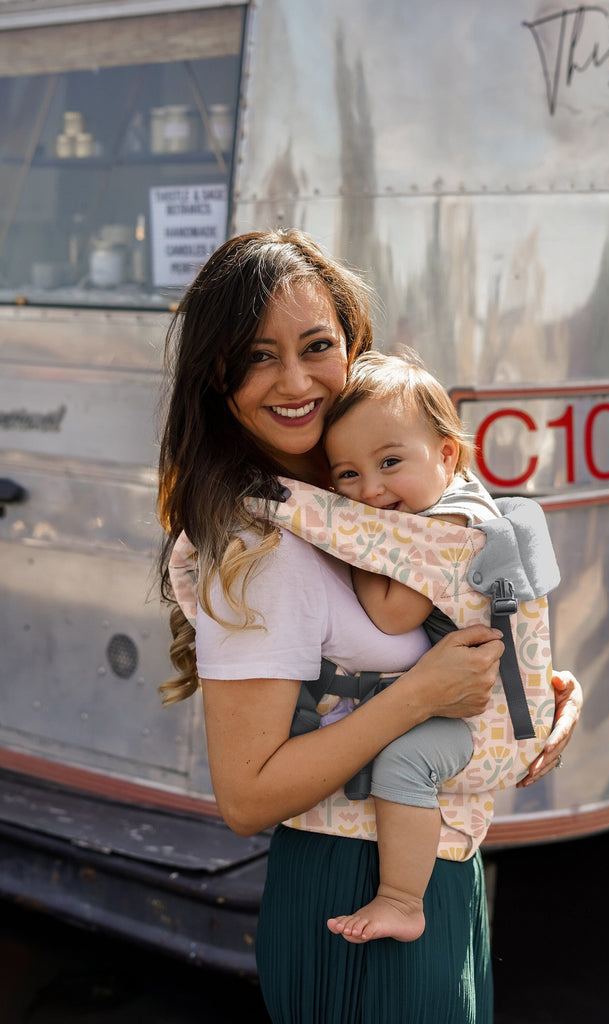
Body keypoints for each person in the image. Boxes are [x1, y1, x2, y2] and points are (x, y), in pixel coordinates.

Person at [158, 228, 582, 1024]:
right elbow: (246, 797)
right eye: (256, 356)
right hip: (354, 881)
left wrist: (544, 687)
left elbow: (469, 601)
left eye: (317, 345)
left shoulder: (368, 500)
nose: (294, 381)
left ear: (353, 347)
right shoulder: (264, 542)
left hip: (432, 862)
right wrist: (422, 692)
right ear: (217, 377)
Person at [318, 348, 557, 944]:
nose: (370, 490)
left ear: (446, 454)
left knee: (405, 761)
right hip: (489, 705)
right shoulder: (455, 502)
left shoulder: (449, 528)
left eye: (390, 461)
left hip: (491, 724)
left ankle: (402, 899)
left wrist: (353, 546)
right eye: (346, 475)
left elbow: (392, 613)